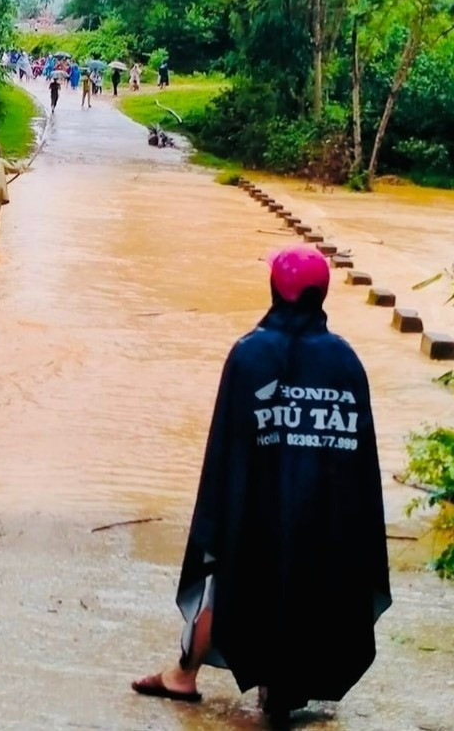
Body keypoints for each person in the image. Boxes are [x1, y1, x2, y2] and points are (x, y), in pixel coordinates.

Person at [132, 245, 390, 729]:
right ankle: (282, 683)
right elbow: (359, 457)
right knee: (312, 581)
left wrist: (222, 514)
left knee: (224, 574)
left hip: (259, 509)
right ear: (321, 294)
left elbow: (228, 446)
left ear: (275, 290)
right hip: (326, 514)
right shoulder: (346, 361)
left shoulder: (249, 353)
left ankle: (184, 674)